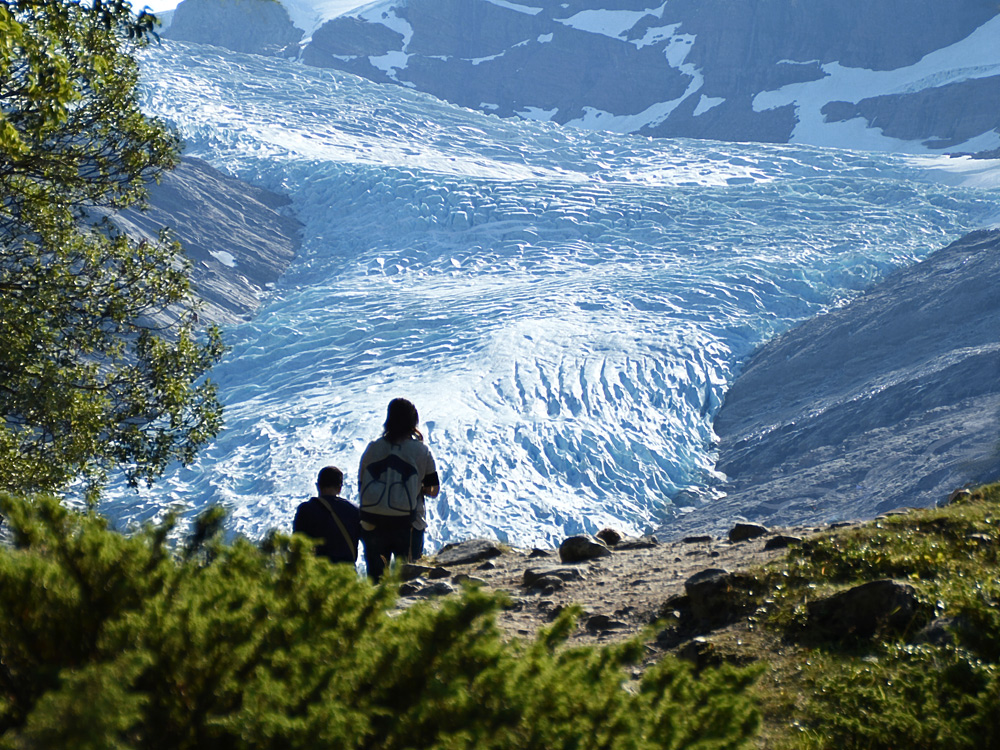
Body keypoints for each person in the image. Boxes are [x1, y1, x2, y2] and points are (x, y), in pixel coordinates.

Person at [358, 398, 440, 581]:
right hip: (408, 523)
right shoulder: (420, 450)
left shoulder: (372, 448)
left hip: (372, 522)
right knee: (409, 578)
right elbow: (433, 489)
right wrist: (418, 487)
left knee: (376, 579)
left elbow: (362, 482)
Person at [293, 466, 361, 565]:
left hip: (317, 573)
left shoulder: (306, 510)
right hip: (347, 573)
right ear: (340, 488)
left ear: (318, 486)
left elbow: (298, 544)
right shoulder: (354, 510)